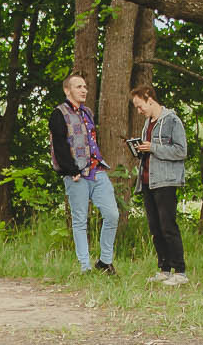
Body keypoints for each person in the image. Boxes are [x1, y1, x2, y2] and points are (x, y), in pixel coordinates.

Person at [48, 72, 119, 275]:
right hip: (76, 175)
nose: (84, 90)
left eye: (85, 87)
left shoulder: (87, 112)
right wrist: (71, 170)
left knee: (112, 214)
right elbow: (59, 145)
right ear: (67, 90)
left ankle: (105, 262)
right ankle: (85, 267)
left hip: (97, 170)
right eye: (78, 86)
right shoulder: (58, 113)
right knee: (80, 220)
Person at [129, 85, 189, 285]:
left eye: (140, 106)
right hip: (147, 181)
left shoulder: (172, 120)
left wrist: (153, 148)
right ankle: (164, 268)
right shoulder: (148, 123)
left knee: (168, 226)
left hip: (166, 181)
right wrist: (141, 150)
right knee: (155, 227)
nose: (139, 111)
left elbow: (181, 151)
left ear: (150, 99)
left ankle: (180, 271)